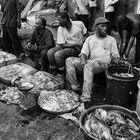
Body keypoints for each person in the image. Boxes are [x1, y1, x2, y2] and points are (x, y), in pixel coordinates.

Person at [66, 17, 120, 102]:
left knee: (88, 66)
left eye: (106, 26)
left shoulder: (111, 39)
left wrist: (116, 59)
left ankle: (85, 98)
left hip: (103, 64)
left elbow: (115, 54)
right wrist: (83, 61)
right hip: (90, 62)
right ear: (96, 27)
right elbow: (84, 53)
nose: (105, 28)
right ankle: (75, 87)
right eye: (102, 26)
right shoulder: (90, 39)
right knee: (69, 60)